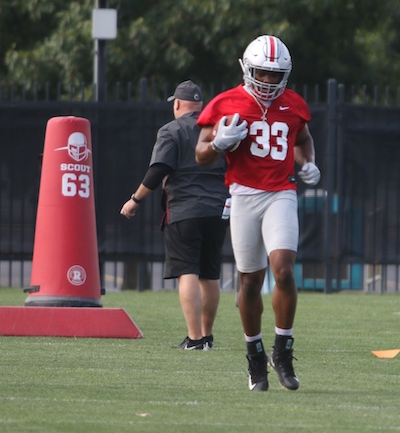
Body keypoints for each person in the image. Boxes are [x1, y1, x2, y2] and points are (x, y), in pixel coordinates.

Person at [195, 35, 320, 391]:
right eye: (261, 73)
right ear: (248, 70)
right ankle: (254, 356)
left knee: (283, 269)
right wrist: (218, 144)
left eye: (274, 74)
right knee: (249, 280)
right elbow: (200, 153)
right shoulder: (226, 102)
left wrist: (309, 163)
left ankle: (283, 350)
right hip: (244, 195)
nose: (267, 81)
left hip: (281, 192)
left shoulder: (293, 103)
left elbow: (302, 138)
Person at [121, 80, 230, 351]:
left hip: (184, 209)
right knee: (210, 273)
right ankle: (207, 336)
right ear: (201, 105)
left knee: (188, 271)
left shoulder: (171, 130)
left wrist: (135, 200)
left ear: (177, 104)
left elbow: (158, 170)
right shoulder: (218, 129)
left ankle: (194, 340)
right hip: (219, 209)